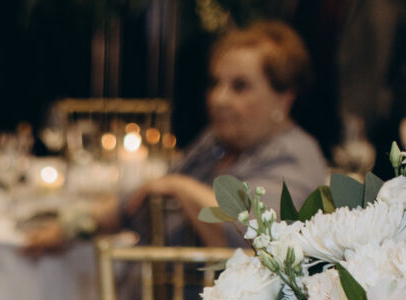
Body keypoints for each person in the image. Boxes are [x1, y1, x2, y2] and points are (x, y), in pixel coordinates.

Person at [22, 21, 329, 256]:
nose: (219, 98)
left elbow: (255, 236)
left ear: (283, 98)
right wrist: (72, 227)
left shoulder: (295, 156)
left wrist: (181, 188)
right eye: (215, 83)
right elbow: (140, 201)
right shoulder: (215, 143)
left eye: (239, 86)